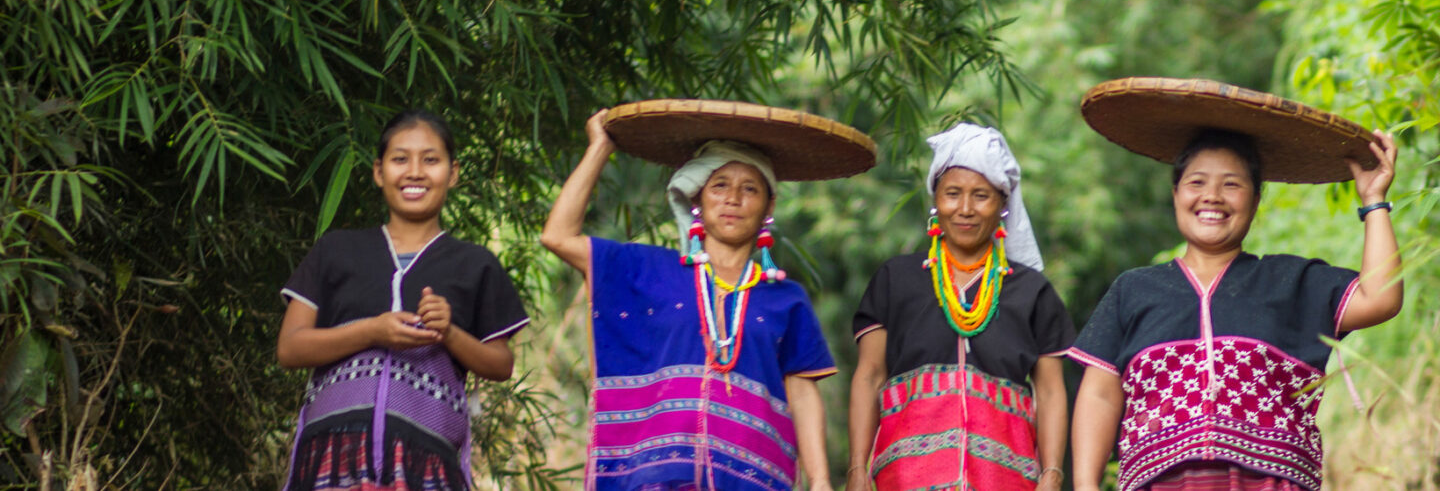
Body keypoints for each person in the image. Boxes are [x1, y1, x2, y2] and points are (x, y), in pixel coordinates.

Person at [1069, 79, 1404, 491]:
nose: (1212, 196)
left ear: (1256, 199)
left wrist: (1374, 201)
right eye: (1196, 183)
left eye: (1232, 184)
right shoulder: (1134, 290)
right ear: (1175, 194)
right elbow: (1100, 395)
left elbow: (1382, 298)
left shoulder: (1292, 281)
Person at [540, 103, 868, 490]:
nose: (733, 198)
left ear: (769, 206)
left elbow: (802, 390)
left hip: (753, 479)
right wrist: (600, 147)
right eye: (719, 185)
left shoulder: (785, 297)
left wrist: (819, 480)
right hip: (659, 478)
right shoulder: (646, 269)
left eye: (750, 189)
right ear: (697, 197)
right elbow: (557, 236)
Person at [276, 109, 530, 490]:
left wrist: (450, 333)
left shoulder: (475, 264)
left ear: (453, 172)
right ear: (379, 172)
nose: (415, 172)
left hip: (424, 460)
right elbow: (290, 349)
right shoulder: (336, 249)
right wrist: (372, 332)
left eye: (431, 160)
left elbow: (500, 365)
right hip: (333, 456)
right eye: (400, 159)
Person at [847, 123, 1075, 491]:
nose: (965, 209)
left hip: (1007, 480)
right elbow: (869, 375)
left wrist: (1051, 474)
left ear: (1003, 204)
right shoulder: (896, 279)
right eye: (953, 193)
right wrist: (857, 469)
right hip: (905, 479)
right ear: (935, 198)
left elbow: (1049, 391)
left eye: (981, 195)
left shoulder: (1032, 291)